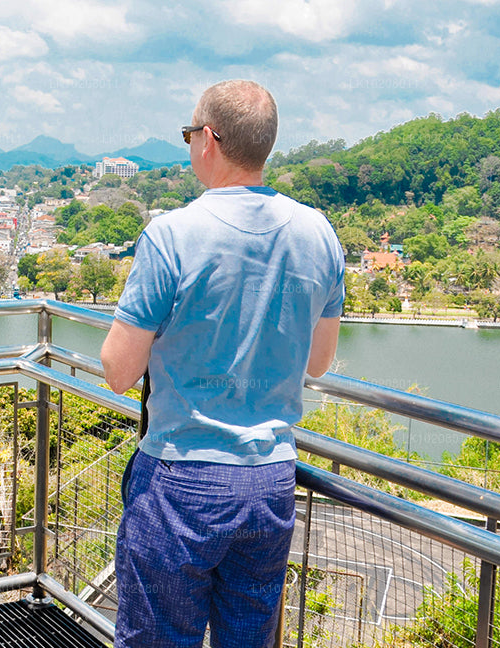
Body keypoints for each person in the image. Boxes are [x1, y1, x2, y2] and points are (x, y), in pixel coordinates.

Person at [100, 80, 344, 648]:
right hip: (271, 481)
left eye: (188, 135)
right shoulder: (319, 233)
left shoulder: (172, 235)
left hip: (180, 475)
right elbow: (320, 362)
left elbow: (118, 370)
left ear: (208, 139)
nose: (189, 146)